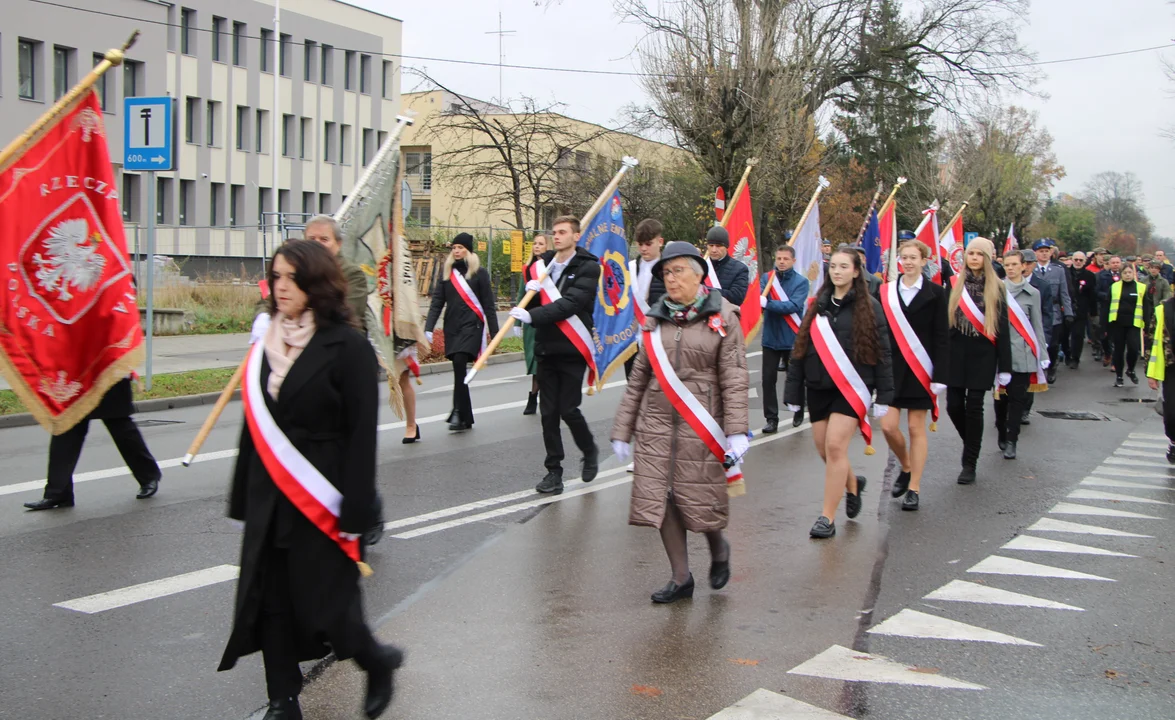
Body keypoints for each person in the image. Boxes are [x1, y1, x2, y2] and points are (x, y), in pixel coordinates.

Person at [219, 240, 401, 720]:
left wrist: (359, 507)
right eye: (275, 276)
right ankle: (283, 700)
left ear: (314, 284)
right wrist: (242, 498)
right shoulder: (266, 340)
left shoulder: (347, 346)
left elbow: (362, 435)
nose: (280, 287)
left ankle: (377, 661)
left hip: (323, 492)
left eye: (291, 279)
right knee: (271, 601)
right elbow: (253, 426)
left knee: (331, 605)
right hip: (270, 493)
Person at [611, 241, 749, 603]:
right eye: (666, 273)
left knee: (700, 502)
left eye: (678, 271)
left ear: (699, 274)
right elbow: (639, 378)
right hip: (656, 424)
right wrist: (622, 430)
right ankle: (680, 577)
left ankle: (719, 550)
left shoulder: (724, 317)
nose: (671, 280)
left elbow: (734, 377)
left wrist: (736, 433)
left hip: (702, 422)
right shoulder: (654, 321)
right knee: (665, 500)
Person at [785, 247, 893, 538]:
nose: (837, 271)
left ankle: (826, 518)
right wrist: (793, 392)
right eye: (833, 266)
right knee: (823, 448)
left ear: (856, 271)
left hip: (852, 387)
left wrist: (884, 395)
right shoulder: (817, 305)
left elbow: (883, 351)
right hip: (819, 386)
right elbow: (800, 350)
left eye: (844, 266)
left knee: (835, 446)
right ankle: (852, 484)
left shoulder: (870, 306)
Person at [511, 216, 601, 496]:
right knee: (548, 413)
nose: (557, 236)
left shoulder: (588, 267)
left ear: (576, 235)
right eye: (555, 232)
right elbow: (539, 299)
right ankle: (554, 471)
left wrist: (533, 314)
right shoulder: (543, 266)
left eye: (563, 232)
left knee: (568, 409)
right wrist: (532, 295)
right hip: (547, 348)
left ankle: (589, 450)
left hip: (572, 349)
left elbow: (572, 303)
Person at [878, 241, 948, 512]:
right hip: (891, 370)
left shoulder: (936, 293)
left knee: (917, 428)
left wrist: (940, 375)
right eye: (903, 258)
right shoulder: (887, 293)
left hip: (921, 369)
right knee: (888, 426)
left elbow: (942, 337)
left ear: (923, 261)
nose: (907, 262)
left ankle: (914, 488)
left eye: (912, 258)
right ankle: (905, 466)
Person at [22, 377, 162, 511]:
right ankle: (58, 492)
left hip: (106, 368)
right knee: (66, 430)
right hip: (77, 372)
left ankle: (148, 477)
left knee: (120, 427)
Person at [946, 238, 1012, 485]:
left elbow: (1003, 328)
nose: (973, 258)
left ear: (988, 258)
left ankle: (969, 463)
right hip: (956, 351)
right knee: (953, 406)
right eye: (970, 253)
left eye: (979, 254)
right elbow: (945, 322)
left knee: (974, 405)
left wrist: (1005, 366)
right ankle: (972, 441)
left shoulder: (998, 287)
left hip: (983, 352)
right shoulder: (953, 284)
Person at [425, 233, 500, 432]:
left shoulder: (479, 273)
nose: (457, 251)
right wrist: (428, 329)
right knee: (459, 370)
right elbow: (437, 303)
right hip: (452, 327)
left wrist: (495, 333)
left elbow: (488, 305)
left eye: (461, 247)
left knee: (460, 362)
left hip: (472, 326)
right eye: (454, 247)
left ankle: (457, 411)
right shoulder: (447, 273)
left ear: (468, 249)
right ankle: (465, 415)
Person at [996, 251, 1049, 460]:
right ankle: (1001, 430)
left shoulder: (1033, 293)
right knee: (1000, 401)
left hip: (1024, 354)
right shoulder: (997, 289)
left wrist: (1042, 353)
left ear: (1023, 266)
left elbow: (1037, 325)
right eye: (1007, 265)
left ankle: (1012, 440)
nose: (1010, 268)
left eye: (1014, 265)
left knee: (1018, 400)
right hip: (1001, 355)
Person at [759, 245, 810, 433]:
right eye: (778, 258)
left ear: (793, 261)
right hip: (770, 338)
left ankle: (797, 409)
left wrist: (768, 303)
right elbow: (760, 301)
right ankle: (771, 418)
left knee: (794, 378)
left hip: (791, 338)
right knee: (767, 380)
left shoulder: (801, 282)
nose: (781, 262)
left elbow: (793, 306)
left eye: (785, 259)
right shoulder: (767, 278)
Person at [625, 218, 667, 379]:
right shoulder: (629, 268)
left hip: (657, 337)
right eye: (640, 244)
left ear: (660, 241)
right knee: (633, 386)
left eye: (648, 244)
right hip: (631, 339)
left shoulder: (668, 269)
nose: (643, 248)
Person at [1031, 239, 1073, 383]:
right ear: (1035, 253)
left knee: (1053, 343)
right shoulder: (1031, 269)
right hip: (1035, 309)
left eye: (1046, 251)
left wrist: (1068, 312)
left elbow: (1064, 293)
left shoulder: (1058, 270)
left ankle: (1052, 366)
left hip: (1054, 311)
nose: (1044, 254)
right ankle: (1037, 368)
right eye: (1041, 251)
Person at [517, 234, 549, 415]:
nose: (537, 246)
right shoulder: (527, 269)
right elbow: (521, 296)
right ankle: (534, 396)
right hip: (530, 321)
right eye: (535, 244)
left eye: (541, 244)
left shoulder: (551, 268)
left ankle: (536, 397)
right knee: (534, 361)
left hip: (547, 319)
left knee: (543, 362)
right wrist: (516, 321)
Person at [1146, 294, 1175, 463]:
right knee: (1171, 411)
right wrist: (1151, 373)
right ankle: (1173, 440)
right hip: (1171, 367)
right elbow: (1152, 341)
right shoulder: (1163, 309)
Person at [1107, 263, 1145, 387]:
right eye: (1125, 273)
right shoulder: (1114, 287)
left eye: (1130, 272)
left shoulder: (1141, 288)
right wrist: (1105, 325)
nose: (1128, 275)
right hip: (1117, 323)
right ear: (1121, 274)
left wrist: (1148, 324)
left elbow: (1147, 307)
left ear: (1134, 274)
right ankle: (1119, 376)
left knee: (1133, 349)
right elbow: (1106, 306)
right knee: (1118, 350)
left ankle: (1131, 369)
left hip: (1134, 323)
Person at [703, 226, 750, 305]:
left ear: (726, 247)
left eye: (718, 246)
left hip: (726, 315)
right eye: (711, 245)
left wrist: (704, 291)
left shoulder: (740, 269)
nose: (714, 250)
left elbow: (736, 297)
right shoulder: (701, 266)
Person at [1067, 251, 1098, 369]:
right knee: (1064, 335)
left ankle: (1075, 358)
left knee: (1078, 334)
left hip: (1081, 309)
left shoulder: (1089, 276)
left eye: (1081, 260)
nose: (1078, 262)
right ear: (1072, 260)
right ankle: (1066, 354)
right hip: (1067, 307)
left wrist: (1093, 312)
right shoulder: (1066, 273)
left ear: (1085, 261)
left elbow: (1092, 294)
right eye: (1076, 260)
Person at [1143, 258, 1172, 362]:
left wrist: (1162, 304)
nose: (1153, 270)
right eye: (1151, 268)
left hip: (1157, 308)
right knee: (1146, 330)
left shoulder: (1163, 281)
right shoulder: (1144, 280)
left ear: (1159, 270)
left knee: (1156, 331)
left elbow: (1167, 295)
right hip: (1145, 308)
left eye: (1156, 268)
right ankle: (1145, 349)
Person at [1096, 255, 1123, 366]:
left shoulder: (1125, 275)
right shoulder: (1102, 275)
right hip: (1106, 308)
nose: (1116, 264)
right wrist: (1107, 296)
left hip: (1121, 309)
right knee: (1104, 336)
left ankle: (1116, 361)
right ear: (1109, 264)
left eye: (1117, 262)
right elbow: (1096, 291)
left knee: (1118, 336)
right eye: (1113, 262)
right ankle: (1107, 353)